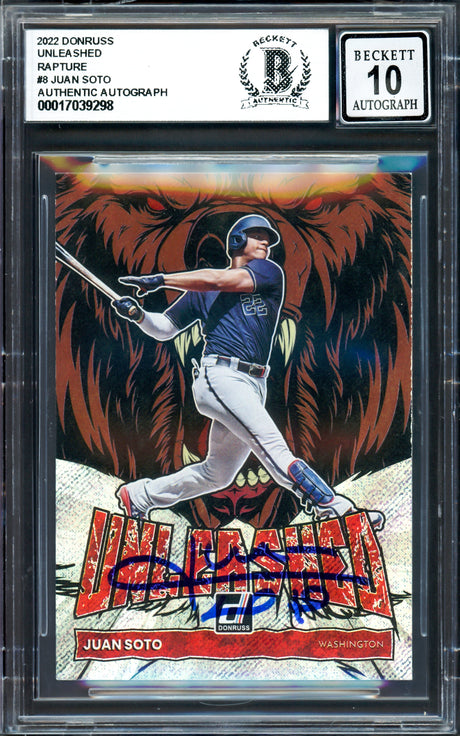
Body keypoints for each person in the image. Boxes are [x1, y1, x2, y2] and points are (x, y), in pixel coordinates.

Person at [112, 214, 384, 530]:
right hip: (221, 377)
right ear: (237, 240)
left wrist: (161, 280)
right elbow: (164, 329)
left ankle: (140, 495)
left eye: (267, 238)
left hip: (254, 383)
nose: (266, 242)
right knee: (274, 448)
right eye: (257, 236)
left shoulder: (268, 272)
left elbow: (220, 281)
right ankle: (338, 511)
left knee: (217, 473)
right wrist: (139, 315)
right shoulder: (201, 289)